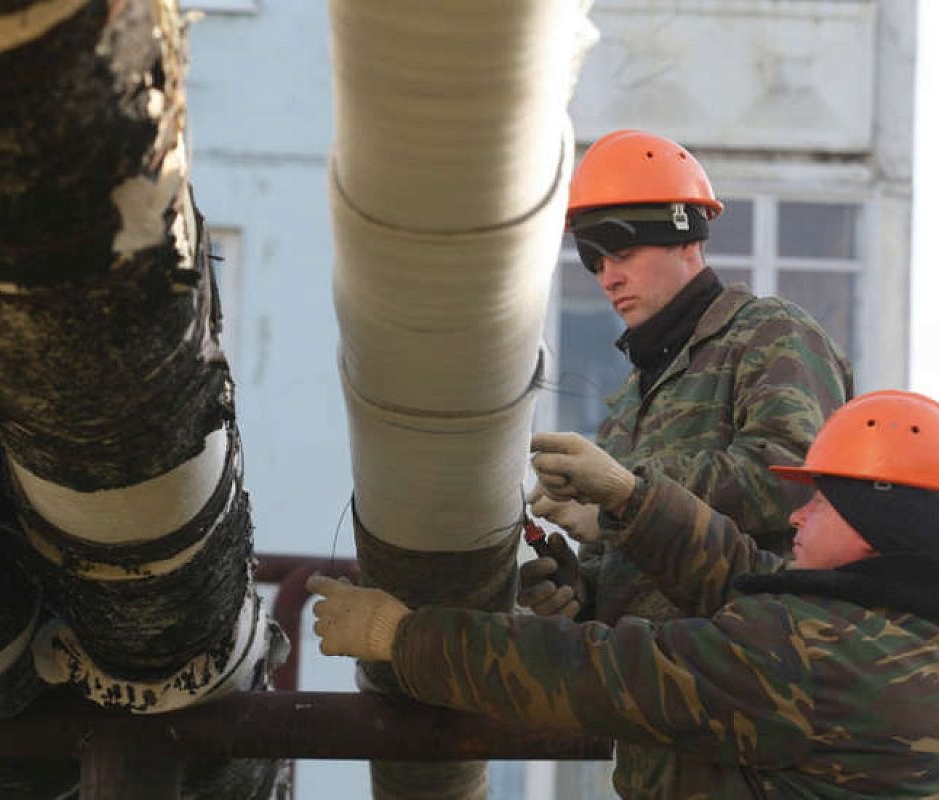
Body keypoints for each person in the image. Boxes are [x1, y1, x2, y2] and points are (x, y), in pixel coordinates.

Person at [308, 390, 939, 798]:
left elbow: (596, 674)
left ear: (880, 522)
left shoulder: (803, 655)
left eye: (821, 501)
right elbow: (747, 578)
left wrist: (401, 635)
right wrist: (628, 500)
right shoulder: (892, 629)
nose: (797, 518)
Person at [522, 128, 853, 791]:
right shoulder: (629, 402)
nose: (606, 275)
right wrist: (577, 589)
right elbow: (631, 566)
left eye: (621, 250)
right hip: (657, 747)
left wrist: (623, 492)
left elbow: (791, 481)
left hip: (758, 720)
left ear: (685, 236)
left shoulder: (768, 334)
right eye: (591, 261)